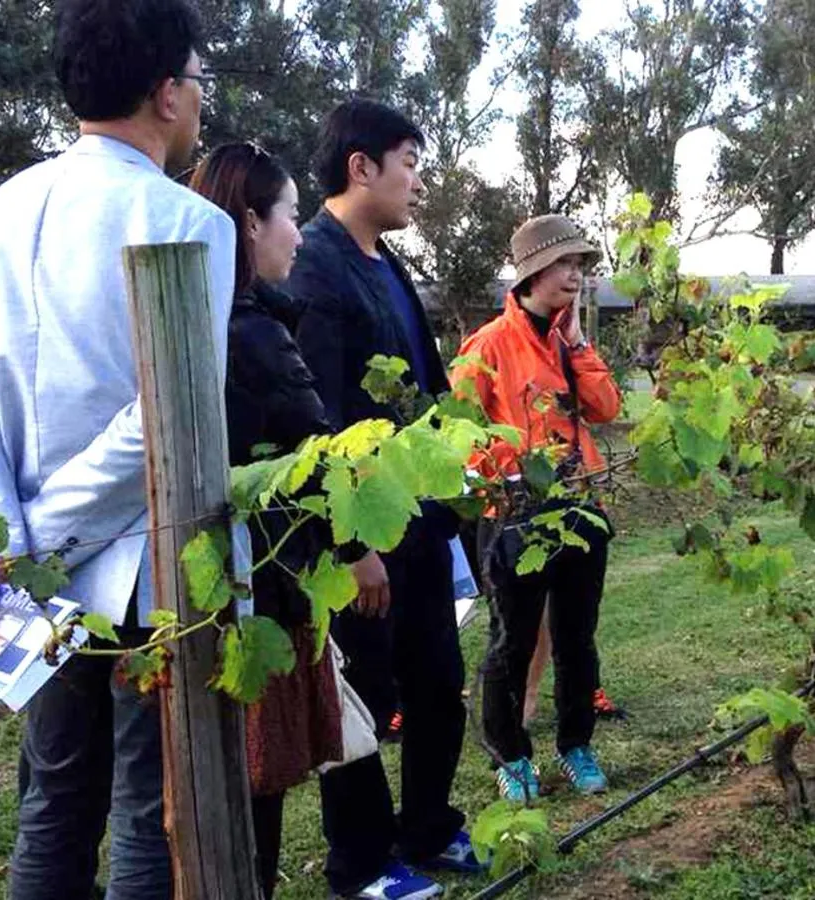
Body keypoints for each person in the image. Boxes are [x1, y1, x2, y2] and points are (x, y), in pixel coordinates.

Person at [0, 2, 235, 898]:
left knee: (52, 801)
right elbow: (167, 417)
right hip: (141, 564)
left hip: (25, 577)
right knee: (151, 812)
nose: (201, 101)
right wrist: (39, 533)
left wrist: (9, 531)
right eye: (198, 81)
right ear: (166, 94)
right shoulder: (190, 220)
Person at [288, 99, 474, 900]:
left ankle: (428, 827)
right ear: (360, 167)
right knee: (362, 699)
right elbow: (313, 422)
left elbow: (426, 395)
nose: (418, 182)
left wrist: (458, 485)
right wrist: (348, 546)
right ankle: (361, 865)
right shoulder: (316, 267)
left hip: (420, 521)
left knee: (438, 678)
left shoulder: (387, 262)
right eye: (409, 162)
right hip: (362, 533)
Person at [190, 141, 387, 898]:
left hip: (205, 584)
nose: (298, 235)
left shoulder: (212, 322)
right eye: (289, 216)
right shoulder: (253, 334)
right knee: (256, 782)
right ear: (248, 224)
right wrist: (358, 545)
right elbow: (322, 457)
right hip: (258, 588)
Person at [451, 214, 621, 802]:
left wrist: (577, 346)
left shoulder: (568, 341)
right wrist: (499, 487)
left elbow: (604, 408)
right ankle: (511, 755)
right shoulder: (489, 345)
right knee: (511, 641)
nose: (575, 276)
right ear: (532, 273)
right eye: (565, 264)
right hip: (514, 514)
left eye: (580, 266)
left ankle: (576, 745)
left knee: (578, 638)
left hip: (578, 505)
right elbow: (460, 432)